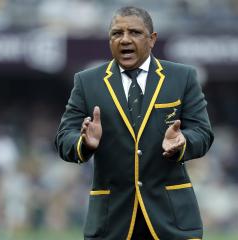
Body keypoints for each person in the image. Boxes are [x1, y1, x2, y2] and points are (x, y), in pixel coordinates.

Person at [55, 6, 214, 240]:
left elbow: (202, 132)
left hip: (172, 220)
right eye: (117, 33)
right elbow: (64, 137)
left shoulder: (183, 77)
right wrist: (84, 143)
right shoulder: (87, 82)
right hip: (111, 221)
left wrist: (183, 142)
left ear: (152, 39)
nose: (125, 39)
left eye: (135, 33)